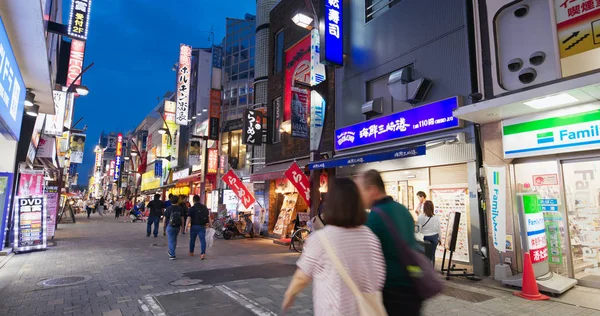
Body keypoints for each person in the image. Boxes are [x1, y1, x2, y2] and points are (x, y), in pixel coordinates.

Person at [282, 178, 386, 316]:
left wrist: (290, 294)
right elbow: (378, 278)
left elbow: (302, 277)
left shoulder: (321, 239)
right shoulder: (370, 237)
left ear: (331, 205)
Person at [357, 169, 421, 315]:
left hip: (391, 292)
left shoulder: (375, 217)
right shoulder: (402, 209)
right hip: (412, 287)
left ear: (372, 190)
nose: (360, 197)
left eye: (361, 192)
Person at [187, 194, 210, 259]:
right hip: (202, 226)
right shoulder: (204, 207)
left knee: (192, 240)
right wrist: (210, 225)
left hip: (194, 226)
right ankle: (203, 253)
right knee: (203, 240)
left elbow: (189, 218)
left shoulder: (192, 208)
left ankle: (191, 252)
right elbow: (208, 217)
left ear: (193, 200)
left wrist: (186, 226)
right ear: (199, 200)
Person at [417, 200, 441, 265]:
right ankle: (432, 269)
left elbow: (418, 229)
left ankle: (425, 270)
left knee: (424, 255)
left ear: (424, 207)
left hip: (424, 237)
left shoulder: (420, 216)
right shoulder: (436, 217)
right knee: (432, 254)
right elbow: (439, 229)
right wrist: (440, 239)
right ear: (432, 207)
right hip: (434, 237)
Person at [163, 195, 183, 260]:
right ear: (177, 201)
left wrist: (164, 226)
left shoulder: (169, 208)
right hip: (177, 226)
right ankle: (172, 251)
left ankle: (172, 254)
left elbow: (165, 218)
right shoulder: (180, 208)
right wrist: (182, 226)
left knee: (171, 240)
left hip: (170, 226)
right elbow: (182, 218)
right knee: (174, 239)